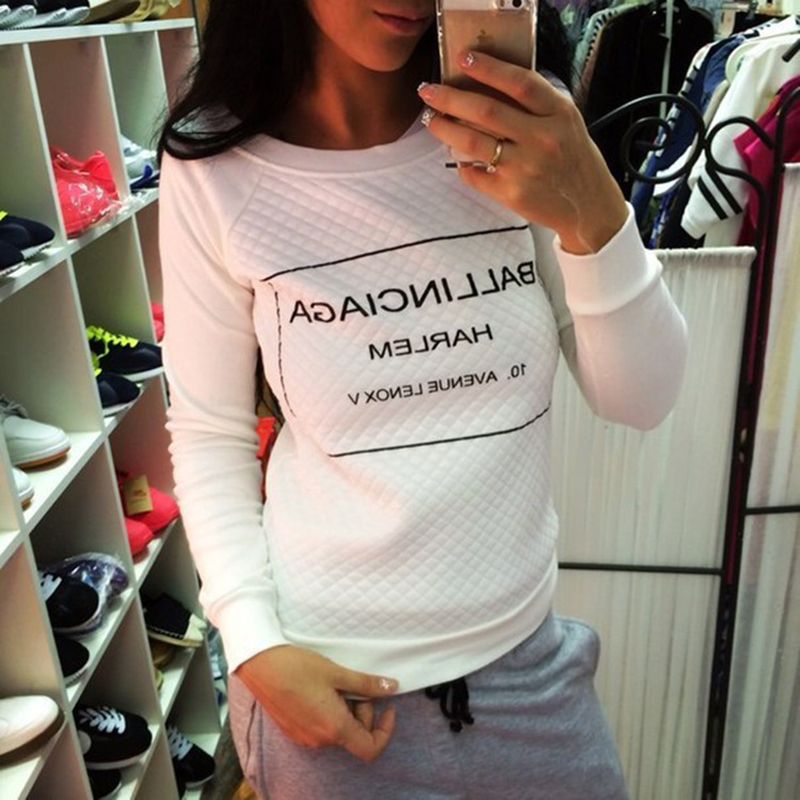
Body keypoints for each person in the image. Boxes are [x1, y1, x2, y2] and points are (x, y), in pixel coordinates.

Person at [157, 1, 688, 797]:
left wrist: (595, 206)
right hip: (331, 686)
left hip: (530, 671)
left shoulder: (515, 122)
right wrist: (254, 642)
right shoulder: (216, 166)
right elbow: (210, 430)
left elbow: (641, 398)